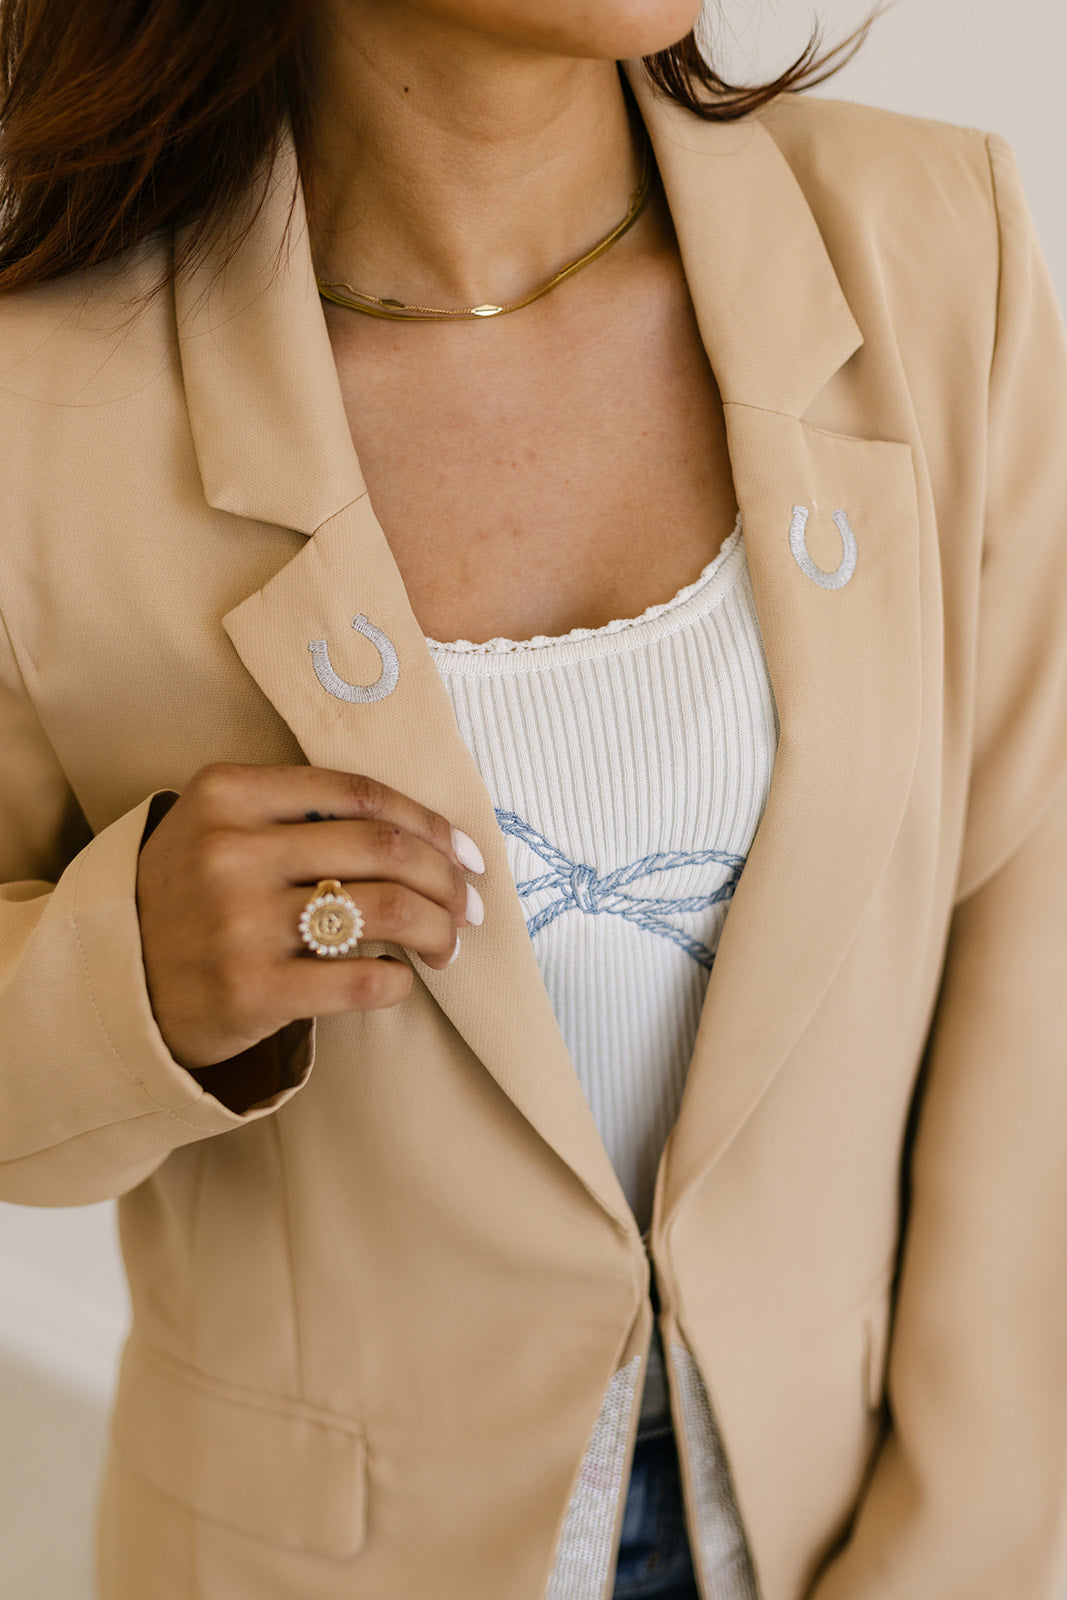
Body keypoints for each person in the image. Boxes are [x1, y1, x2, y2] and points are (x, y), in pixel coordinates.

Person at [0, 0, 1065, 1596]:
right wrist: (128, 979)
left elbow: (1031, 937)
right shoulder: (39, 413)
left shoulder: (931, 247)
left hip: (846, 1527)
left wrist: (957, 1548)